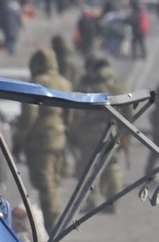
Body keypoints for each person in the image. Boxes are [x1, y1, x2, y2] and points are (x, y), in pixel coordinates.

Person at [18, 49, 71, 225]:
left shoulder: (37, 83)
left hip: (41, 138)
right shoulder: (64, 83)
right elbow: (69, 113)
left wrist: (20, 139)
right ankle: (55, 214)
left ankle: (52, 221)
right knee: (54, 180)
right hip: (59, 135)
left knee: (44, 182)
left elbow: (29, 116)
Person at [70, 56, 128, 212]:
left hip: (89, 132)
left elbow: (77, 113)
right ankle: (112, 201)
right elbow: (130, 111)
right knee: (113, 166)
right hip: (112, 131)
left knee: (88, 168)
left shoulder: (87, 85)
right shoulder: (118, 86)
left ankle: (92, 201)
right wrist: (124, 132)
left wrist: (73, 133)